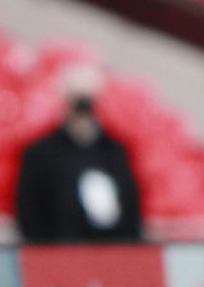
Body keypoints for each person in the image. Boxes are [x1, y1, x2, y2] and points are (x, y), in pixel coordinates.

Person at [15, 64, 142, 243]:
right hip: (59, 255)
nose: (83, 109)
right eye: (77, 101)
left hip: (109, 253)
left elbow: (131, 208)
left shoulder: (115, 152)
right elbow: (29, 212)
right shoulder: (40, 154)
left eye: (88, 101)